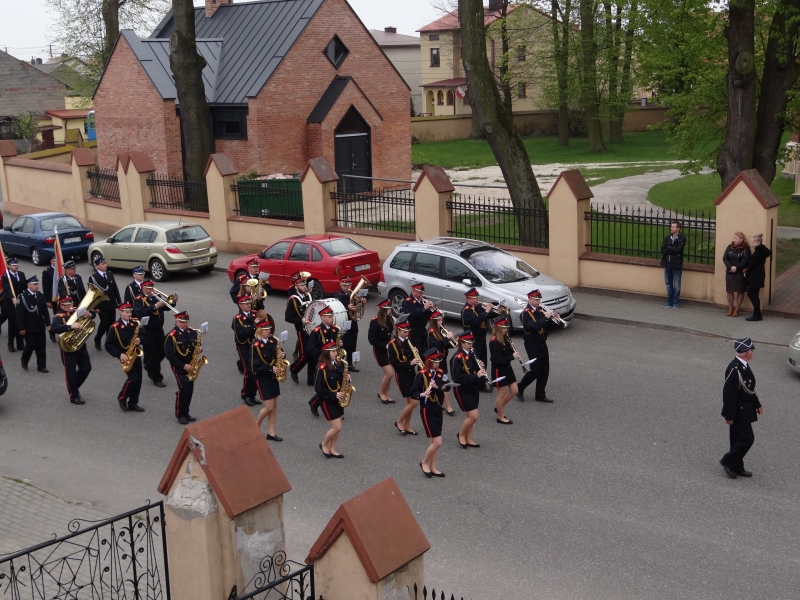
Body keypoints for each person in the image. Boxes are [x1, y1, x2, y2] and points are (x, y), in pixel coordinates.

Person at [719, 337, 763, 479]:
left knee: (736, 438)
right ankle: (727, 461)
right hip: (738, 411)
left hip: (746, 409)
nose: (753, 353)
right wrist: (729, 416)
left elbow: (749, 388)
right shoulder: (734, 369)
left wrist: (757, 404)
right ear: (747, 353)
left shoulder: (743, 365)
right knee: (747, 438)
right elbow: (729, 395)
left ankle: (737, 466)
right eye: (752, 350)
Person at [412, 348, 448, 478]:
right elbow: (413, 392)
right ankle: (424, 462)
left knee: (434, 441)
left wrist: (439, 387)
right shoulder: (422, 374)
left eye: (438, 361)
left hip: (437, 407)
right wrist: (423, 393)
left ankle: (433, 466)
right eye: (435, 362)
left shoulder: (440, 372)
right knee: (438, 442)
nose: (438, 364)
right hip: (427, 409)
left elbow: (446, 385)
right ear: (429, 361)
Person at [50, 296, 92, 404]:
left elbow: (93, 315)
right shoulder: (59, 317)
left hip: (80, 346)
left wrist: (89, 315)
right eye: (67, 305)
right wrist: (70, 326)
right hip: (68, 349)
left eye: (71, 304)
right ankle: (74, 396)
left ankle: (73, 387)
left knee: (86, 368)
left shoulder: (77, 312)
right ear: (61, 306)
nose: (70, 307)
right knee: (70, 374)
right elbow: (54, 328)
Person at [104, 303, 144, 413]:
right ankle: (122, 398)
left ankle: (133, 403)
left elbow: (144, 334)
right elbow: (108, 344)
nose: (129, 314)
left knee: (139, 380)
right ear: (120, 312)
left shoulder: (135, 323)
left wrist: (140, 339)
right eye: (126, 312)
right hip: (125, 356)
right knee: (133, 379)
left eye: (130, 312)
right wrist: (119, 354)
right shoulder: (115, 327)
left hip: (135, 353)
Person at [516, 289, 554, 403]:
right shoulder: (525, 314)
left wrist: (552, 318)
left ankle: (540, 394)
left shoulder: (540, 310)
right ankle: (519, 387)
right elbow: (533, 327)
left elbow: (544, 325)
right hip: (532, 344)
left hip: (542, 342)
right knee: (535, 370)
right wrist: (545, 317)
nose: (539, 302)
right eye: (536, 300)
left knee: (545, 370)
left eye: (539, 299)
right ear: (530, 299)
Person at [133, 281, 171, 387]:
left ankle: (149, 364)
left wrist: (172, 302)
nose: (151, 290)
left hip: (159, 329)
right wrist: (155, 306)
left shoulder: (156, 296)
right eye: (148, 289)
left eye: (152, 288)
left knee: (163, 350)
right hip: (147, 331)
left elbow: (167, 307)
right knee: (153, 354)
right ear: (143, 289)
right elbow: (141, 313)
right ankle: (156, 378)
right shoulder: (139, 299)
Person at [164, 311, 200, 425]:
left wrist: (199, 349)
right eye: (183, 322)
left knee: (189, 389)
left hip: (190, 364)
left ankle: (186, 412)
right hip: (179, 366)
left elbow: (195, 344)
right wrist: (183, 365)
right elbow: (169, 355)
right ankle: (180, 414)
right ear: (177, 322)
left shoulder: (192, 332)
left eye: (186, 322)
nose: (186, 324)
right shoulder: (172, 335)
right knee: (184, 387)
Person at [450, 332, 485, 448]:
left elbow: (474, 369)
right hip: (463, 389)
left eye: (471, 343)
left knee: (470, 416)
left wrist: (480, 366)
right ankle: (461, 434)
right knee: (474, 415)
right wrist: (476, 376)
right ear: (462, 343)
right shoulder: (457, 358)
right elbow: (457, 377)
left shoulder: (472, 353)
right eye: (468, 343)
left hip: (473, 387)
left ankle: (468, 437)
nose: (471, 345)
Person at [252, 319, 285, 442]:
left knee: (274, 406)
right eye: (266, 329)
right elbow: (255, 364)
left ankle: (271, 432)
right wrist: (271, 368)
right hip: (263, 377)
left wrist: (282, 356)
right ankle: (256, 424)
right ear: (260, 330)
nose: (269, 331)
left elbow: (279, 353)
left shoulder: (273, 341)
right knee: (269, 406)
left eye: (269, 329)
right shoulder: (255, 345)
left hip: (273, 376)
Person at [305, 306, 341, 416]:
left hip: (333, 358)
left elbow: (334, 343)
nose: (332, 318)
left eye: (332, 316)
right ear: (322, 318)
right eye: (329, 317)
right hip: (323, 361)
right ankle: (315, 403)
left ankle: (335, 407)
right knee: (325, 385)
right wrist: (322, 358)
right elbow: (311, 348)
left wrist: (339, 344)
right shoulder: (317, 331)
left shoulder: (335, 329)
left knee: (336, 382)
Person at [316, 341, 349, 458]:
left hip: (339, 399)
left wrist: (347, 377)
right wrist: (334, 395)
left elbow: (342, 377)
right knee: (337, 427)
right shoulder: (322, 369)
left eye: (336, 351)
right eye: (333, 351)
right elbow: (319, 389)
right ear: (327, 353)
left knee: (338, 428)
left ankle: (333, 448)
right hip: (328, 400)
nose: (336, 353)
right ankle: (324, 444)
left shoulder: (340, 364)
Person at [390, 319, 421, 435]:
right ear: (398, 330)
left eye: (407, 331)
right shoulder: (393, 344)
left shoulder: (408, 341)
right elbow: (395, 364)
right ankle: (399, 421)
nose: (407, 333)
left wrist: (415, 353)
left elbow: (410, 355)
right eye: (404, 331)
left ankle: (407, 425)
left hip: (411, 373)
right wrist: (410, 363)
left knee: (410, 402)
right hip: (402, 375)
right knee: (414, 402)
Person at [460, 288, 499, 377]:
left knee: (483, 361)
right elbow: (477, 320)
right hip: (473, 341)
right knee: (476, 362)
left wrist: (498, 310)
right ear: (469, 299)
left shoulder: (478, 307)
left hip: (482, 339)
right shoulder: (466, 311)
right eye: (475, 298)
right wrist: (486, 311)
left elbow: (488, 315)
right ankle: (477, 379)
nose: (477, 299)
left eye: (477, 297)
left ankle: (483, 379)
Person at [15, 276, 50, 373]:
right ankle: (24, 360)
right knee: (31, 346)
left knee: (41, 347)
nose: (37, 286)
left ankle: (41, 366)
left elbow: (45, 312)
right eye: (35, 284)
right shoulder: (22, 297)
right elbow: (19, 314)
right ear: (29, 285)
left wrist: (48, 324)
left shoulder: (40, 295)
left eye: (37, 284)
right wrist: (21, 328)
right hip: (29, 326)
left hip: (39, 325)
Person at [285, 271, 313, 384]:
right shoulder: (293, 299)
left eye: (304, 284)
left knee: (314, 354)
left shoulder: (308, 295)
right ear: (296, 287)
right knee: (305, 354)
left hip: (312, 328)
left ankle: (311, 379)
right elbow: (288, 317)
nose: (304, 287)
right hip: (301, 330)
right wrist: (301, 320)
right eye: (301, 285)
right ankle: (294, 369)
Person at [489, 318, 519, 424]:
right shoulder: (494, 342)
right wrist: (512, 356)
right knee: (501, 393)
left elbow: (506, 351)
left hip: (507, 367)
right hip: (499, 369)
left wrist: (511, 348)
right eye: (504, 328)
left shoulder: (505, 337)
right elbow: (497, 359)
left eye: (506, 327)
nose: (506, 330)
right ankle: (500, 416)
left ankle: (499, 407)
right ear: (498, 328)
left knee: (514, 390)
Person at [426, 310, 456, 415]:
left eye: (441, 320)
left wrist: (453, 341)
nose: (441, 322)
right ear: (434, 321)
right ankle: (446, 405)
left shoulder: (441, 331)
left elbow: (445, 345)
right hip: (434, 362)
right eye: (438, 320)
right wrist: (446, 338)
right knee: (437, 382)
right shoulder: (430, 333)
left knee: (444, 382)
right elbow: (436, 347)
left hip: (442, 361)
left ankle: (444, 404)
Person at [88, 255, 121, 351]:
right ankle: (97, 338)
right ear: (97, 266)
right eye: (102, 264)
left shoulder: (110, 274)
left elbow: (115, 288)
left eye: (105, 263)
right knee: (105, 323)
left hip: (111, 303)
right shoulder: (93, 277)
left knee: (112, 323)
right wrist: (95, 307)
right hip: (101, 305)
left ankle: (109, 342)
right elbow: (92, 294)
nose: (105, 265)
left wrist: (119, 302)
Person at [232, 294, 260, 405]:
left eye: (249, 303)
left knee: (256, 371)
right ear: (240, 305)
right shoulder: (237, 319)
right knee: (249, 372)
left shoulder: (254, 314)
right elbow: (242, 333)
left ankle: (253, 395)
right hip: (243, 346)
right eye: (246, 304)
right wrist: (254, 326)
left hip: (254, 346)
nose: (249, 305)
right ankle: (245, 395)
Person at [334, 275, 365, 371]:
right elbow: (337, 308)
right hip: (344, 322)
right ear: (341, 285)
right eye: (345, 286)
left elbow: (357, 305)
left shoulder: (352, 293)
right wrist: (347, 307)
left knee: (353, 342)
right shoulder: (338, 295)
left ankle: (350, 364)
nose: (348, 288)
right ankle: (339, 363)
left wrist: (362, 302)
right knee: (345, 343)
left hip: (353, 321)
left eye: (349, 286)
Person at [368, 299, 395, 404]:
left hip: (390, 349)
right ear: (383, 310)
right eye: (388, 309)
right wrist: (384, 345)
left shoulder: (389, 319)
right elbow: (372, 339)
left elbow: (391, 334)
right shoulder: (375, 321)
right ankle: (381, 393)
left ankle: (386, 394)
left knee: (389, 373)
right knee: (389, 373)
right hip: (380, 350)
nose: (390, 311)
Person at [743, 234, 772, 322]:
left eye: (753, 242)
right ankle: (757, 313)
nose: (751, 244)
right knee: (752, 293)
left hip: (755, 276)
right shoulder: (761, 251)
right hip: (758, 275)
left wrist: (746, 273)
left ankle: (756, 314)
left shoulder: (758, 253)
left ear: (758, 242)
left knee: (753, 294)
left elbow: (752, 265)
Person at [723, 231, 751, 317]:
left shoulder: (746, 249)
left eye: (736, 238)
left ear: (741, 239)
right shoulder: (729, 247)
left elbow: (747, 260)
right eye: (733, 238)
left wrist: (737, 267)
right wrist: (730, 267)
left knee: (740, 290)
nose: (734, 240)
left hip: (740, 273)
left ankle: (737, 308)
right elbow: (725, 258)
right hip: (730, 272)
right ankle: (730, 308)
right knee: (729, 290)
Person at [401, 283, 435, 350]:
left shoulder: (424, 299)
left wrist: (432, 309)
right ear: (413, 291)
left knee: (426, 347)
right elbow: (411, 315)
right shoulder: (407, 302)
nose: (421, 295)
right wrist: (424, 308)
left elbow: (426, 314)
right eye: (419, 293)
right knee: (419, 350)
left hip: (423, 329)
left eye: (422, 293)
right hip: (414, 331)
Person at [660, 220, 686, 309]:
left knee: (677, 285)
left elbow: (679, 249)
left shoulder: (682, 238)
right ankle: (669, 301)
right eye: (671, 227)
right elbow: (662, 249)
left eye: (673, 227)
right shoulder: (667, 238)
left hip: (677, 264)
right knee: (668, 284)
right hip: (667, 263)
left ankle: (675, 303)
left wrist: (669, 248)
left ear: (678, 228)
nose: (671, 228)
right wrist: (671, 249)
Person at [2, 257, 26, 352]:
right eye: (14, 265)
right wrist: (12, 297)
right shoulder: (6, 276)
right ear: (9, 266)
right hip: (10, 303)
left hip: (20, 302)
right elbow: (6, 289)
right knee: (13, 324)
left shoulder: (21, 274)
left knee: (20, 323)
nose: (16, 267)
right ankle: (11, 344)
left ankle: (20, 344)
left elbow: (24, 287)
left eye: (17, 265)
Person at [42, 256, 58, 341]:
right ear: (51, 261)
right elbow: (46, 287)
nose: (57, 262)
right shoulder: (47, 272)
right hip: (54, 298)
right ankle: (52, 331)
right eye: (55, 261)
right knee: (57, 316)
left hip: (62, 297)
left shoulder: (61, 270)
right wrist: (48, 300)